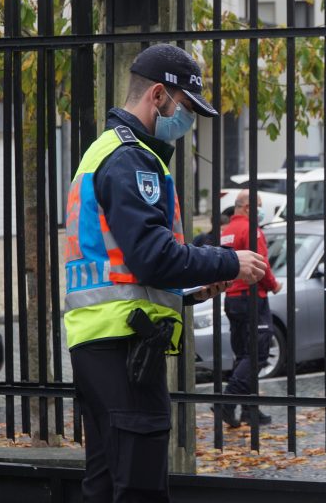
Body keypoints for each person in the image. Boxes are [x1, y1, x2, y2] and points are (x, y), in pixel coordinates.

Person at [63, 43, 267, 503]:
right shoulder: (131, 158)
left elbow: (124, 261)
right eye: (185, 106)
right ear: (158, 95)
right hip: (125, 344)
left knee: (105, 483)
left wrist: (192, 289)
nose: (186, 119)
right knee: (139, 487)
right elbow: (152, 255)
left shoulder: (103, 151)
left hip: (100, 342)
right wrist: (230, 261)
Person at [218, 189, 283, 428]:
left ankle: (249, 409)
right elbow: (260, 264)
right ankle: (227, 401)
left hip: (232, 299)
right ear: (248, 208)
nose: (261, 211)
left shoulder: (227, 231)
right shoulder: (250, 229)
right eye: (259, 206)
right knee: (258, 354)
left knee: (243, 354)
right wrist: (274, 285)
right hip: (251, 297)